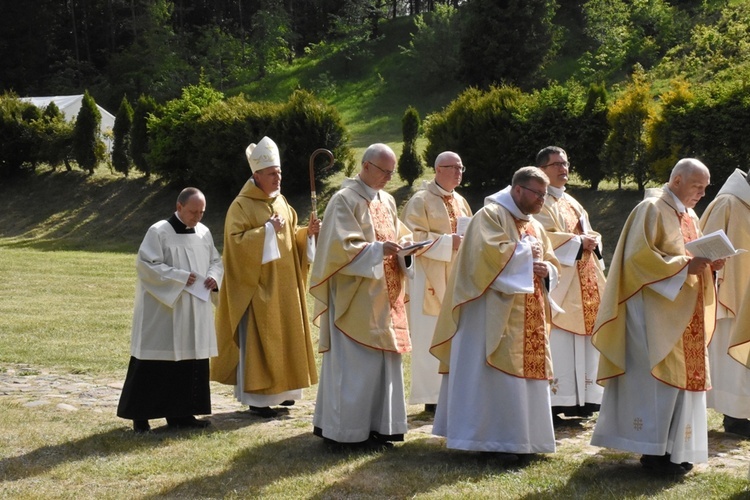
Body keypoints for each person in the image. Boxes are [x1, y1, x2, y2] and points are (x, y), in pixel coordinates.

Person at [590, 158, 724, 475]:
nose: (702, 194)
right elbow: (638, 259)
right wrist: (684, 266)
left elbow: (693, 256)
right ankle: (654, 451)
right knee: (657, 382)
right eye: (698, 186)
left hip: (683, 311)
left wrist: (711, 266)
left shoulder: (689, 216)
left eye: (705, 188)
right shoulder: (650, 209)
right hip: (652, 313)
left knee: (681, 383)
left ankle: (678, 448)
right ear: (677, 180)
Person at [430, 167, 560, 459]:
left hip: (529, 313)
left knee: (522, 377)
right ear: (517, 190)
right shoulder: (490, 216)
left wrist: (546, 269)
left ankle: (525, 439)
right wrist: (528, 260)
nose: (542, 200)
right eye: (537, 193)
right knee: (495, 376)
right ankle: (492, 440)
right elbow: (488, 256)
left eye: (544, 194)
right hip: (489, 313)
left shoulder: (534, 225)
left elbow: (550, 261)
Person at [310, 143, 415, 450]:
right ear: (366, 166)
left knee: (383, 367)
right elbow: (337, 249)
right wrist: (375, 250)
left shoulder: (387, 200)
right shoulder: (344, 200)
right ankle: (346, 432)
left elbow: (397, 234)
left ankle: (381, 427)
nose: (388, 177)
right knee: (356, 368)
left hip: (385, 295)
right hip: (355, 298)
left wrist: (406, 249)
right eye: (385, 171)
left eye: (392, 172)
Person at [211, 136, 319, 418]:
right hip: (257, 287)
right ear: (256, 175)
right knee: (263, 340)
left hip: (286, 284)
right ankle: (259, 401)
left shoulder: (281, 201)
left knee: (286, 335)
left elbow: (291, 237)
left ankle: (285, 392)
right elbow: (235, 245)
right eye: (272, 174)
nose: (277, 178)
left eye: (279, 173)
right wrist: (267, 231)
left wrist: (307, 233)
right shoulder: (241, 206)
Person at [117, 187, 223, 433]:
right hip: (164, 309)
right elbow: (146, 266)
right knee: (154, 362)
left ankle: (182, 414)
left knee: (190, 359)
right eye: (193, 211)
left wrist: (213, 277)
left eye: (202, 212)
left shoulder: (204, 233)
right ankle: (140, 416)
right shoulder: (158, 232)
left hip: (194, 307)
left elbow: (215, 261)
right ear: (179, 207)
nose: (197, 217)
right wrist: (179, 278)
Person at [533, 146, 606, 420]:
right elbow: (543, 238)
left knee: (585, 342)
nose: (564, 169)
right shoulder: (540, 201)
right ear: (542, 170)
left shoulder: (573, 202)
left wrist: (592, 241)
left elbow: (587, 232)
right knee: (561, 341)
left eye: (566, 163)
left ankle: (584, 399)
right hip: (561, 285)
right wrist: (578, 242)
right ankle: (557, 400)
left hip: (584, 280)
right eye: (556, 164)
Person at [400, 151, 473, 413]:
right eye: (453, 167)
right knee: (429, 334)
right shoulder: (420, 201)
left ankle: (454, 390)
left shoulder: (462, 202)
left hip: (456, 276)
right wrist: (446, 242)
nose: (458, 172)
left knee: (457, 332)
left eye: (461, 167)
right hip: (428, 280)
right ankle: (432, 396)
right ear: (438, 169)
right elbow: (409, 238)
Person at [699, 166, 750, 437]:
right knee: (733, 361)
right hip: (731, 293)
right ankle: (735, 417)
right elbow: (705, 245)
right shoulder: (728, 202)